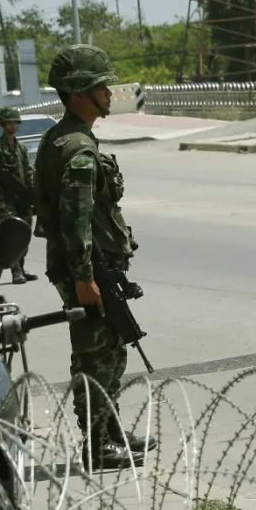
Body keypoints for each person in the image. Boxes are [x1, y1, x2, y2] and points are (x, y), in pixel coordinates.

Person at [33, 44, 150, 471]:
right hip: (86, 267)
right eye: (101, 86)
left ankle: (111, 432)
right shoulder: (78, 148)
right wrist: (85, 277)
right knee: (94, 355)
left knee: (110, 350)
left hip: (92, 264)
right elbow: (76, 218)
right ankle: (97, 444)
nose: (108, 92)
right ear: (80, 92)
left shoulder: (63, 138)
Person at [0, 106, 39, 284]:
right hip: (7, 200)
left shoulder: (20, 147)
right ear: (3, 124)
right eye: (10, 123)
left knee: (24, 234)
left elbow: (28, 171)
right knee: (11, 236)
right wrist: (1, 201)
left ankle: (21, 267)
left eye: (16, 123)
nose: (14, 126)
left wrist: (31, 192)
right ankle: (15, 272)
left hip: (22, 198)